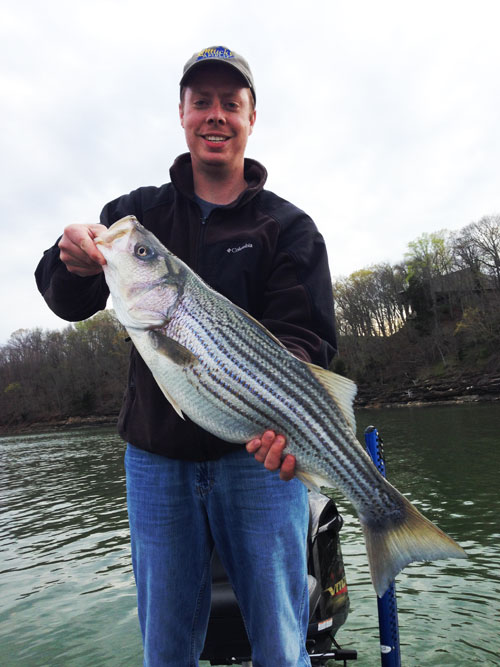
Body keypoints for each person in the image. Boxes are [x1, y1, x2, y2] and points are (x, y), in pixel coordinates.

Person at [35, 46, 337, 667]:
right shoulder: (137, 217)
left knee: (282, 645)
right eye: (202, 102)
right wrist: (67, 256)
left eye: (231, 103)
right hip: (157, 465)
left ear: (252, 117)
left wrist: (289, 418)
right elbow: (68, 297)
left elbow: (307, 338)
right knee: (166, 648)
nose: (216, 115)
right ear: (182, 113)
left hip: (259, 462)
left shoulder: (290, 228)